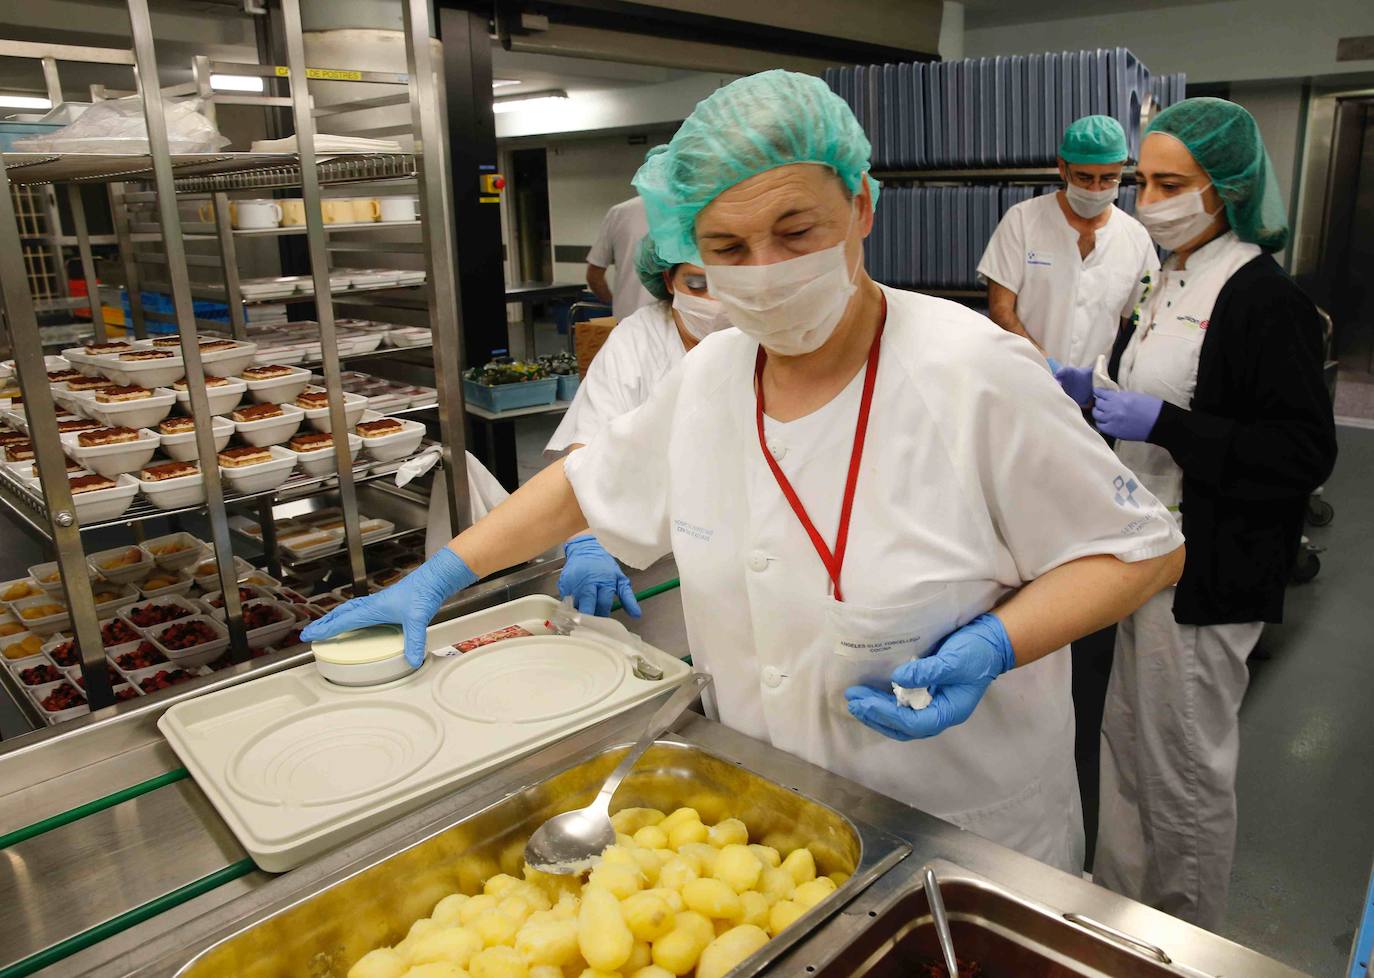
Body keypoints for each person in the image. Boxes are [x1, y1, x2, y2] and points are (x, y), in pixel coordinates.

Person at [305, 70, 1185, 874]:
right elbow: (585, 484)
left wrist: (998, 645)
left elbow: (1143, 552)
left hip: (959, 830)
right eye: (726, 249)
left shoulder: (975, 374)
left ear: (862, 209)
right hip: (767, 825)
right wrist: (438, 578)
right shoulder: (713, 375)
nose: (764, 273)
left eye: (795, 231)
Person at [1056, 98, 1337, 928]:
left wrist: (1165, 425)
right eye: (1145, 179)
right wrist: (1093, 395)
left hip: (1209, 571)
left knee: (1182, 769)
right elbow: (1152, 385)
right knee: (1125, 747)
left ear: (1230, 188)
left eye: (1171, 182)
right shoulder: (1165, 275)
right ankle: (1120, 921)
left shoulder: (1263, 298)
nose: (1150, 197)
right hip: (1143, 554)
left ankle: (1184, 939)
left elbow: (1299, 454)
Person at [979, 115, 1159, 370]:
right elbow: (1000, 310)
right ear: (1063, 168)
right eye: (1084, 177)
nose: (1096, 189)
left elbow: (1139, 323)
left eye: (1108, 178)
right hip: (1028, 375)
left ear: (1122, 167)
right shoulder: (1022, 220)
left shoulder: (1135, 237)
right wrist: (1045, 364)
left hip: (1096, 388)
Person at [586, 196, 655, 321]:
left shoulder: (620, 212)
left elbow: (594, 276)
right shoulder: (691, 209)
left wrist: (616, 303)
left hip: (629, 320)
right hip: (683, 327)